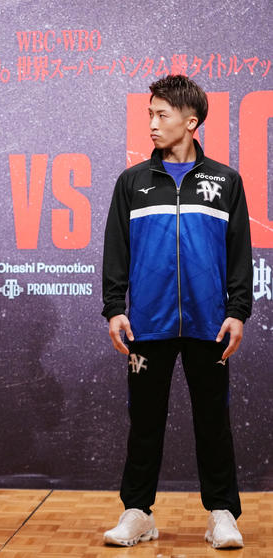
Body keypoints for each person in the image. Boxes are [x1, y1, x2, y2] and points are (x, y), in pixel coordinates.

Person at [101, 75, 252, 549]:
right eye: (150, 113)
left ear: (191, 121)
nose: (151, 123)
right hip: (147, 324)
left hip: (211, 325)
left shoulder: (226, 181)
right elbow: (116, 250)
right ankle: (137, 512)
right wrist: (114, 307)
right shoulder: (132, 182)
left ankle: (222, 514)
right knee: (144, 423)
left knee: (214, 422)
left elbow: (239, 253)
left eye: (161, 114)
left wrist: (238, 311)